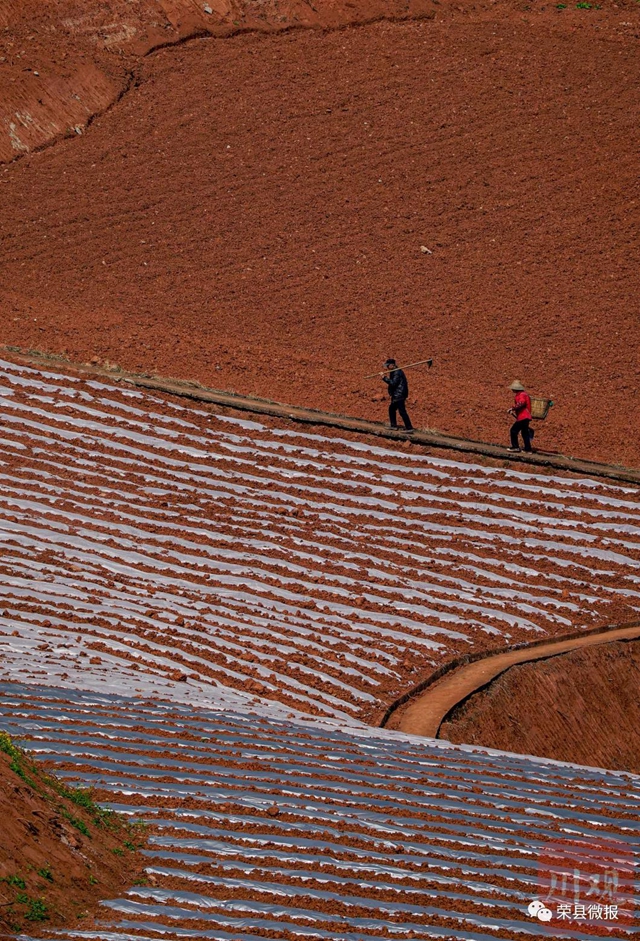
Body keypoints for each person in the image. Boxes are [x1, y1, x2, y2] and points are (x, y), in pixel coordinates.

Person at [381, 358, 413, 431]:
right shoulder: (394, 371)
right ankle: (393, 425)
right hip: (397, 394)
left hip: (399, 394)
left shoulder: (397, 372)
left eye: (388, 365)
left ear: (392, 365)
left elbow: (393, 383)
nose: (387, 367)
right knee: (392, 409)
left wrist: (384, 378)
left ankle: (409, 428)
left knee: (402, 411)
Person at [507, 380, 532, 452]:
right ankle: (528, 449)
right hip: (526, 416)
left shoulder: (521, 395)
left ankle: (515, 447)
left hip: (523, 416)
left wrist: (513, 408)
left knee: (513, 430)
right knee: (525, 433)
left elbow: (521, 403)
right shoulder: (524, 394)